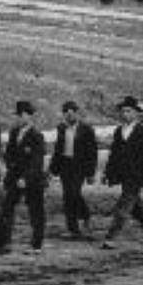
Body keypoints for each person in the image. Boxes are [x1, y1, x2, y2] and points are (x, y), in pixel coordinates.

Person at [100, 96, 143, 249]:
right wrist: (107, 173)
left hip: (137, 175)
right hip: (123, 174)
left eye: (128, 111)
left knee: (123, 206)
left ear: (136, 113)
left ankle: (111, 237)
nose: (125, 114)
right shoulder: (118, 131)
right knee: (136, 207)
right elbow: (114, 155)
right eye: (123, 111)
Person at [0, 101, 48, 253]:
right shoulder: (14, 132)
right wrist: (9, 165)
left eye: (21, 115)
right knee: (7, 208)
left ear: (29, 116)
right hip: (14, 177)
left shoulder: (37, 136)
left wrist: (26, 178)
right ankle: (5, 242)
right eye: (18, 115)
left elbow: (37, 162)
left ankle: (36, 244)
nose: (18, 118)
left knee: (36, 211)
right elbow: (8, 153)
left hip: (33, 180)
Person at [49, 101, 98, 238]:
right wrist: (52, 170)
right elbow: (58, 150)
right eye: (66, 114)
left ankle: (85, 214)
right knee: (67, 196)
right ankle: (72, 229)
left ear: (77, 113)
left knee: (74, 193)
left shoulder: (86, 129)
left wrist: (90, 173)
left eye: (72, 113)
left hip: (79, 167)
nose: (69, 116)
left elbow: (92, 152)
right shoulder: (61, 128)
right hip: (65, 165)